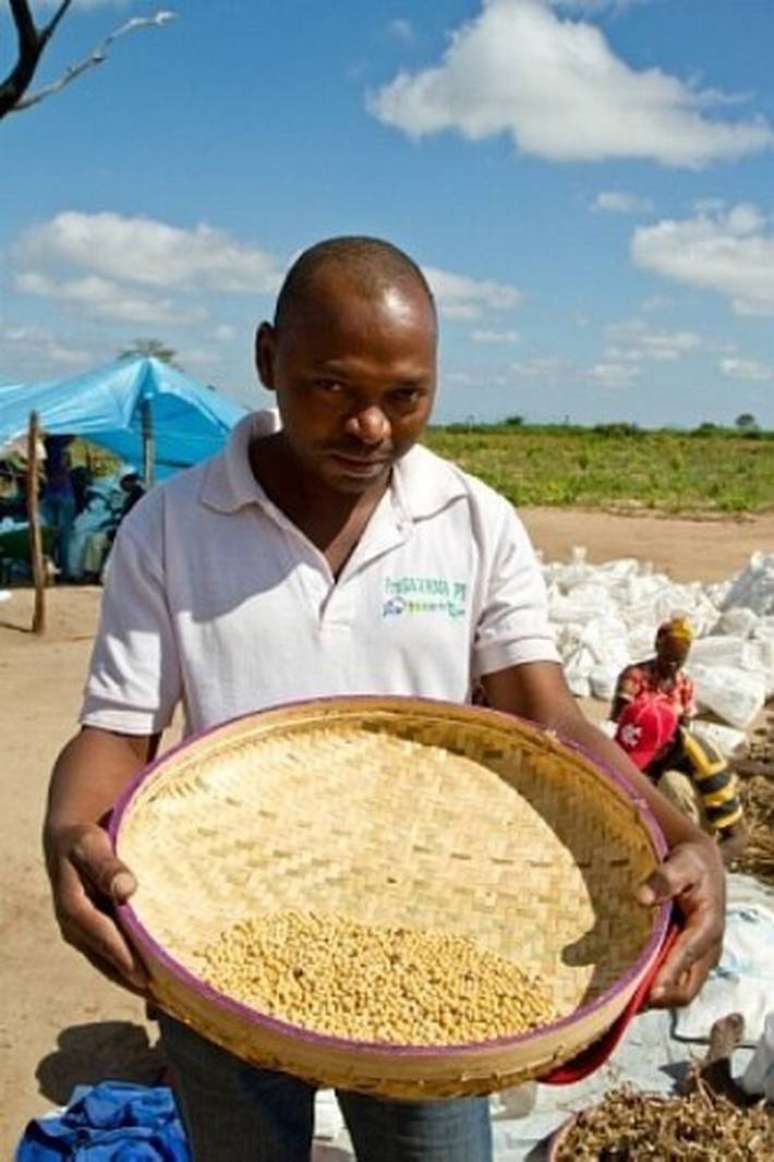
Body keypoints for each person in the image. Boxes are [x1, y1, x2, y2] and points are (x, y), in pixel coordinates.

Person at [43, 237, 725, 1162]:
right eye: (332, 387)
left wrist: (684, 840)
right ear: (266, 360)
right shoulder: (172, 525)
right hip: (221, 928)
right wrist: (69, 826)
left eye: (405, 397)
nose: (371, 427)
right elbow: (120, 730)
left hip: (431, 931)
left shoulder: (473, 521)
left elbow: (551, 720)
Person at [614, 698, 746, 863]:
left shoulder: (707, 764)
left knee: (672, 783)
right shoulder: (633, 741)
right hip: (652, 812)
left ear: (667, 747)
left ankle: (676, 850)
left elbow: (737, 836)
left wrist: (703, 865)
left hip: (694, 830)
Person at [611, 615, 697, 726]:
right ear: (658, 647)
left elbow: (686, 723)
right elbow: (618, 717)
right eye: (668, 655)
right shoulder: (635, 675)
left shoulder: (686, 685)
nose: (672, 663)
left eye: (678, 658)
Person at [41, 434, 77, 581]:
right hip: (64, 494)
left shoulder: (44, 448)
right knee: (64, 537)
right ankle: (64, 574)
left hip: (49, 493)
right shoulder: (62, 450)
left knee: (49, 536)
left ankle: (48, 571)